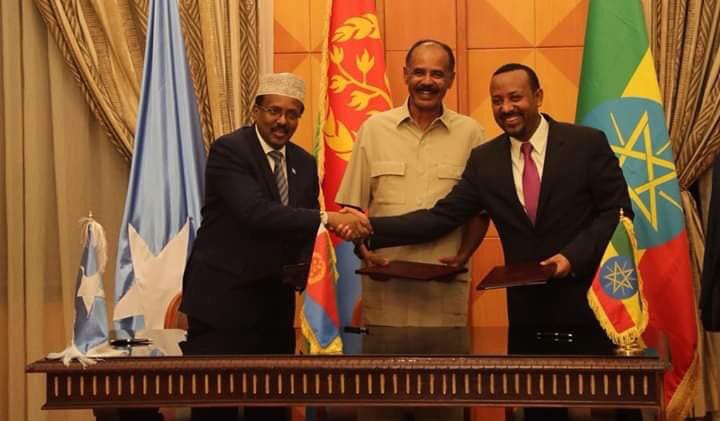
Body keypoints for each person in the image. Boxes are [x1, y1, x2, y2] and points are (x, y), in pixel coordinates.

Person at [346, 63, 635, 420]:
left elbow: (616, 212)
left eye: (515, 97)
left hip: (593, 302)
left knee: (610, 406)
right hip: (528, 312)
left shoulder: (585, 144)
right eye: (497, 101)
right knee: (540, 409)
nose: (506, 108)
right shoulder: (486, 161)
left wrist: (571, 257)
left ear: (538, 96)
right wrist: (370, 229)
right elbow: (441, 217)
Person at [179, 72, 368, 421]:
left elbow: (302, 227)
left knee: (270, 404)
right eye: (274, 111)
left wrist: (347, 236)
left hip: (272, 306)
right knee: (216, 407)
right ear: (256, 110)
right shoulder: (230, 150)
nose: (282, 121)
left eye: (292, 114)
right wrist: (329, 218)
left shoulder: (303, 163)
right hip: (221, 302)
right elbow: (255, 213)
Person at [336, 39, 489, 328]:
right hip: (386, 292)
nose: (427, 82)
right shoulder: (374, 130)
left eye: (437, 74)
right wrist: (363, 251)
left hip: (443, 293)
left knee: (446, 360)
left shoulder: (472, 134)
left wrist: (464, 255)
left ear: (451, 79)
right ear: (405, 74)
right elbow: (350, 209)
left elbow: (480, 212)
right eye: (419, 72)